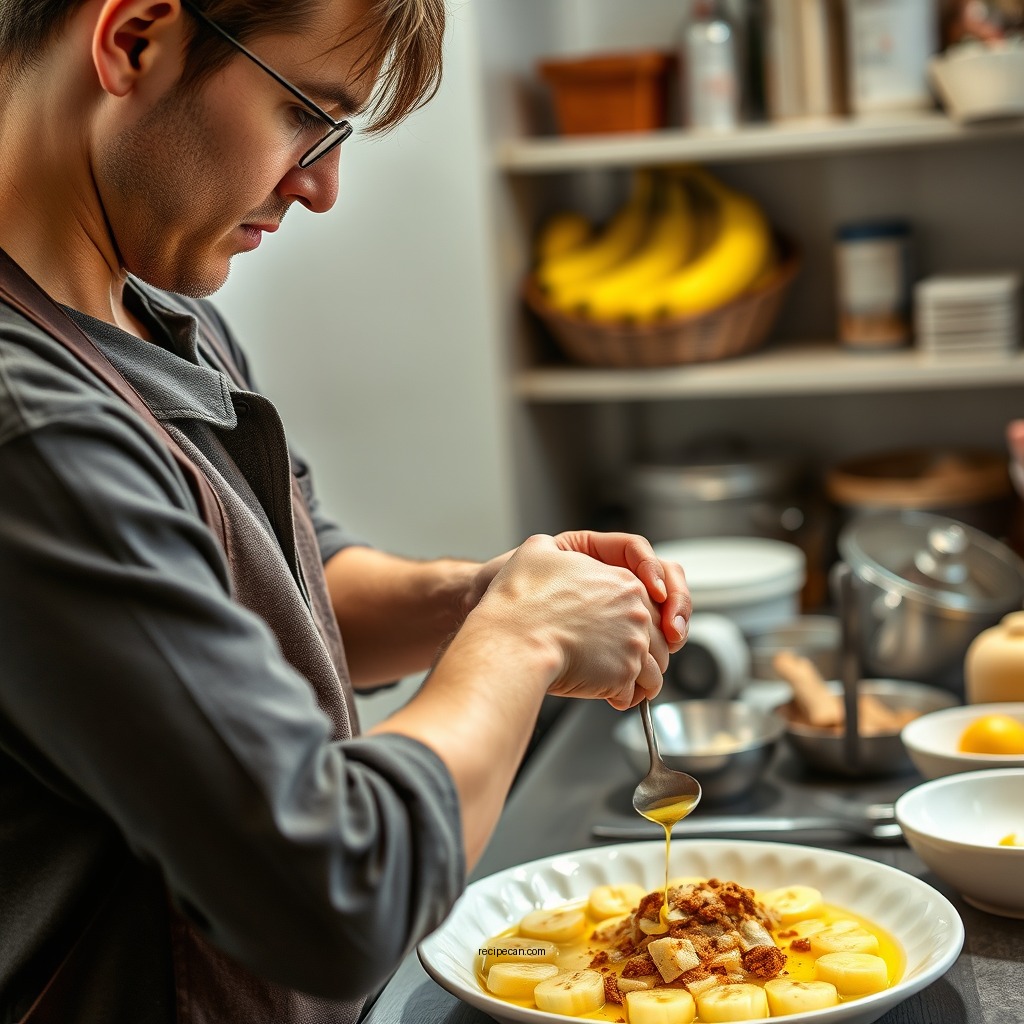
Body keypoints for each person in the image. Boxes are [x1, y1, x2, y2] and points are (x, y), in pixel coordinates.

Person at [0, 2, 692, 1022]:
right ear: (134, 38)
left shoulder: (155, 316)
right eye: (304, 116)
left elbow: (293, 585)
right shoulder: (34, 425)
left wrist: (481, 593)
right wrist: (521, 638)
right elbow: (331, 893)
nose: (321, 188)